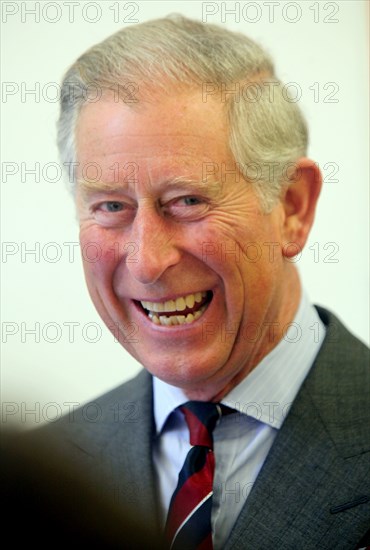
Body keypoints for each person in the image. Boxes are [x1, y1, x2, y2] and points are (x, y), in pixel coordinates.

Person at [43, 15, 369, 548]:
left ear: (291, 207)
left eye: (188, 201)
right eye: (111, 207)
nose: (147, 261)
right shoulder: (43, 479)